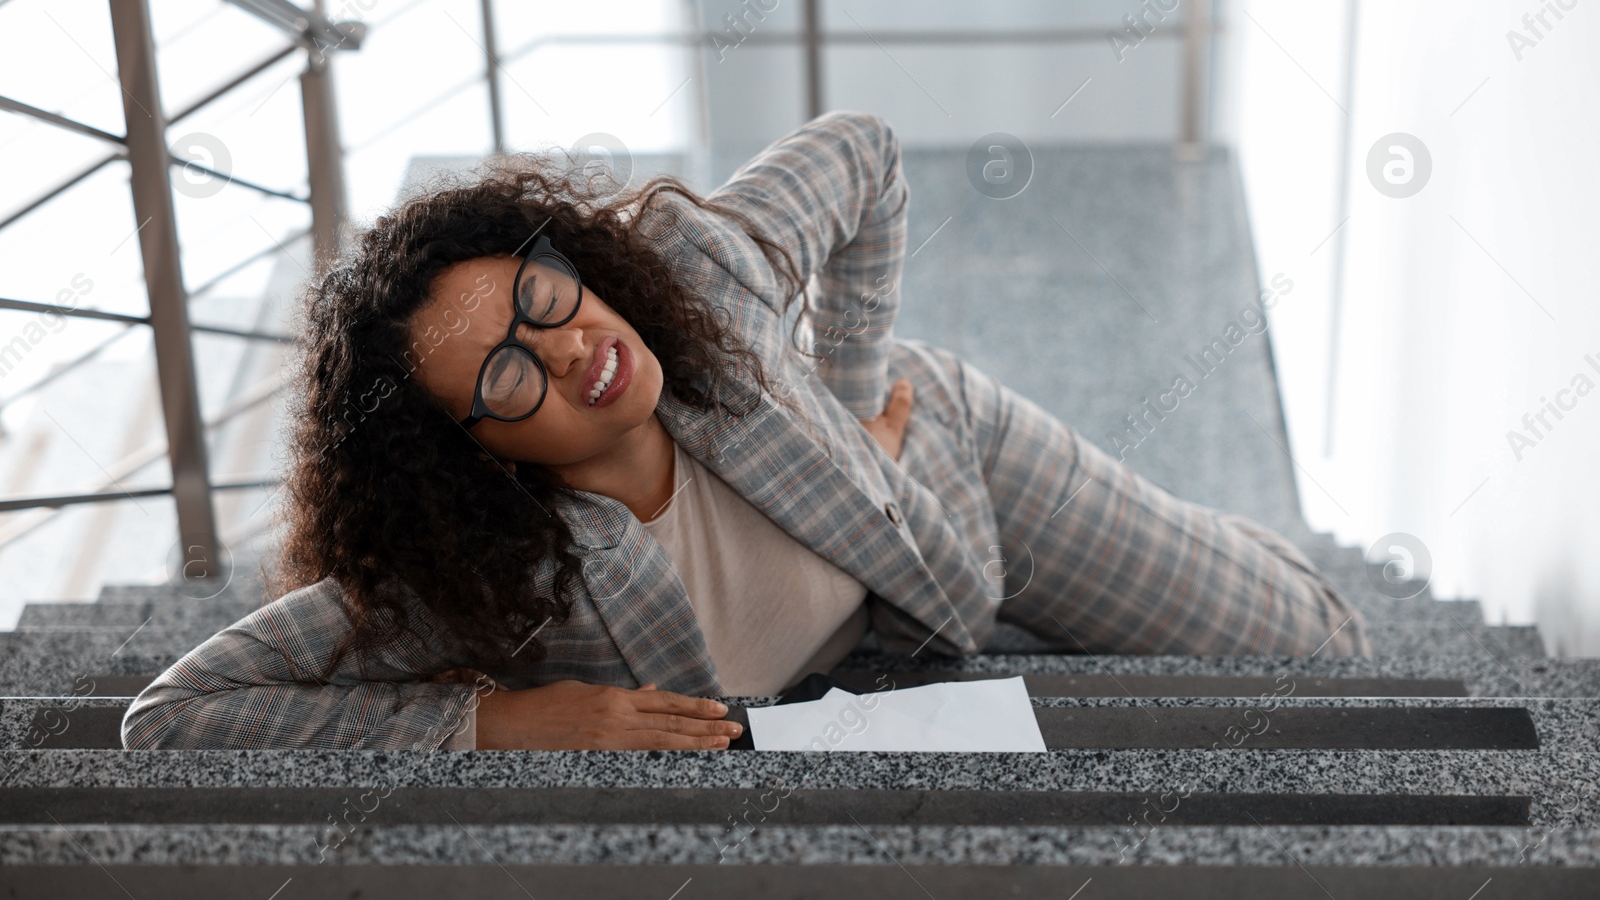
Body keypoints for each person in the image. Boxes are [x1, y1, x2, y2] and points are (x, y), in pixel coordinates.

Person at [121, 111, 1369, 752]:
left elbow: (868, 154)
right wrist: (496, 720)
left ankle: (1228, 535)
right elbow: (170, 714)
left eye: (541, 294)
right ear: (468, 450)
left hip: (956, 475)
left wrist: (843, 385)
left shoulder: (697, 271)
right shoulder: (478, 579)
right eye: (505, 374)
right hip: (900, 630)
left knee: (1322, 644)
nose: (564, 348)